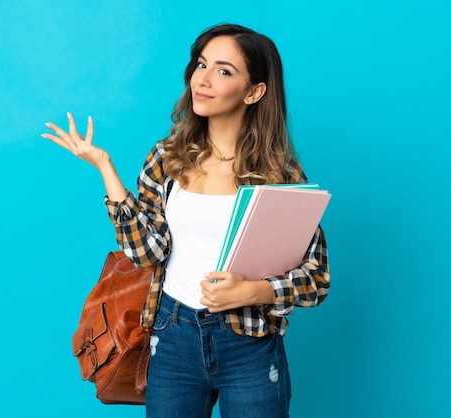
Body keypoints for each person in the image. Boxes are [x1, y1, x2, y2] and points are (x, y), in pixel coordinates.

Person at [43, 23, 330, 418]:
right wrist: (105, 169)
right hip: (172, 334)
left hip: (247, 344)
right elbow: (147, 252)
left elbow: (316, 278)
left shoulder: (280, 175)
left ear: (254, 91)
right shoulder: (167, 157)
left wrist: (252, 291)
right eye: (201, 65)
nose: (204, 79)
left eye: (224, 71)